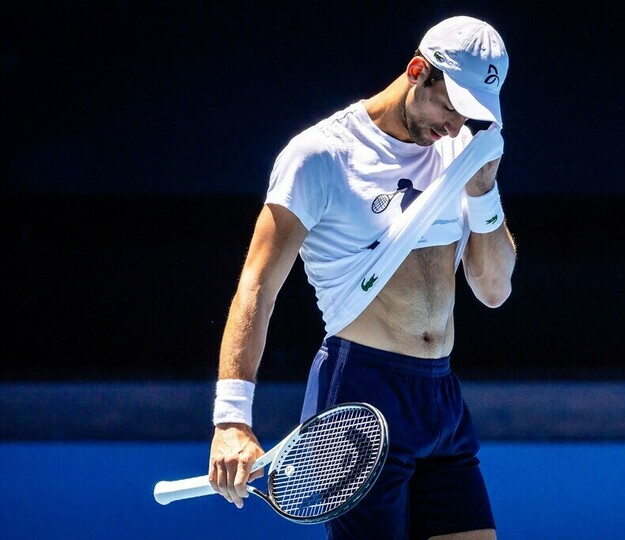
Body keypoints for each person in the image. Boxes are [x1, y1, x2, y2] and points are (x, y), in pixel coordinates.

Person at [207, 15, 516, 540]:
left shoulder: (461, 152)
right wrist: (231, 420)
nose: (455, 126)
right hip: (360, 396)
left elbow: (494, 291)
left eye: (469, 114)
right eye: (450, 107)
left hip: (441, 397)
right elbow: (256, 287)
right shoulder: (320, 156)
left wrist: (485, 192)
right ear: (418, 72)